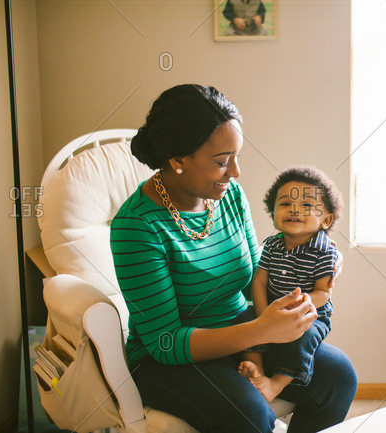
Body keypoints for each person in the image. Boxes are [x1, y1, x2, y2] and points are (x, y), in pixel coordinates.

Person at [110, 84, 357, 433]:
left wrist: (315, 254)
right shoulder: (137, 227)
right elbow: (165, 343)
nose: (236, 172)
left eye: (237, 156)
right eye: (222, 162)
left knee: (338, 376)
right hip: (172, 360)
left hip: (243, 329)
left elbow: (258, 270)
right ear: (179, 159)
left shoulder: (229, 197)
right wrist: (258, 331)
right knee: (249, 413)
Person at [236, 166, 343, 403]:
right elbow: (260, 280)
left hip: (307, 314)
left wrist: (292, 308)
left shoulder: (325, 250)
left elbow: (323, 292)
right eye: (285, 204)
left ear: (326, 219)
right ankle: (257, 371)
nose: (294, 209)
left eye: (306, 205)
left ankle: (276, 384)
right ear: (272, 213)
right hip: (270, 310)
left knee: (305, 338)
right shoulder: (273, 245)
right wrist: (264, 317)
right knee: (246, 318)